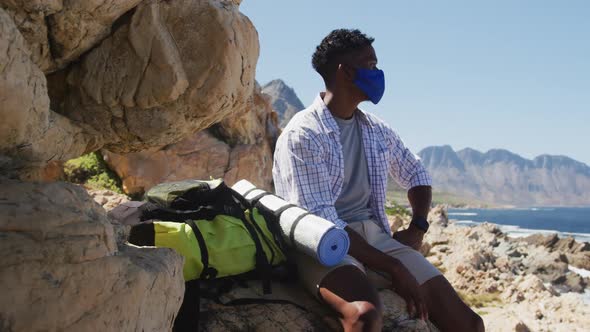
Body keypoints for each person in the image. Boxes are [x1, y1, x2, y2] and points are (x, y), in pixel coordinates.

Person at [272, 29, 485, 332]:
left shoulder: (375, 129)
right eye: (371, 66)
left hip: (374, 237)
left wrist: (418, 227)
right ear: (346, 73)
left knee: (469, 324)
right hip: (320, 243)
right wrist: (394, 268)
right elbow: (324, 223)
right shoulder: (303, 134)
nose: (379, 74)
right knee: (364, 317)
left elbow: (417, 173)